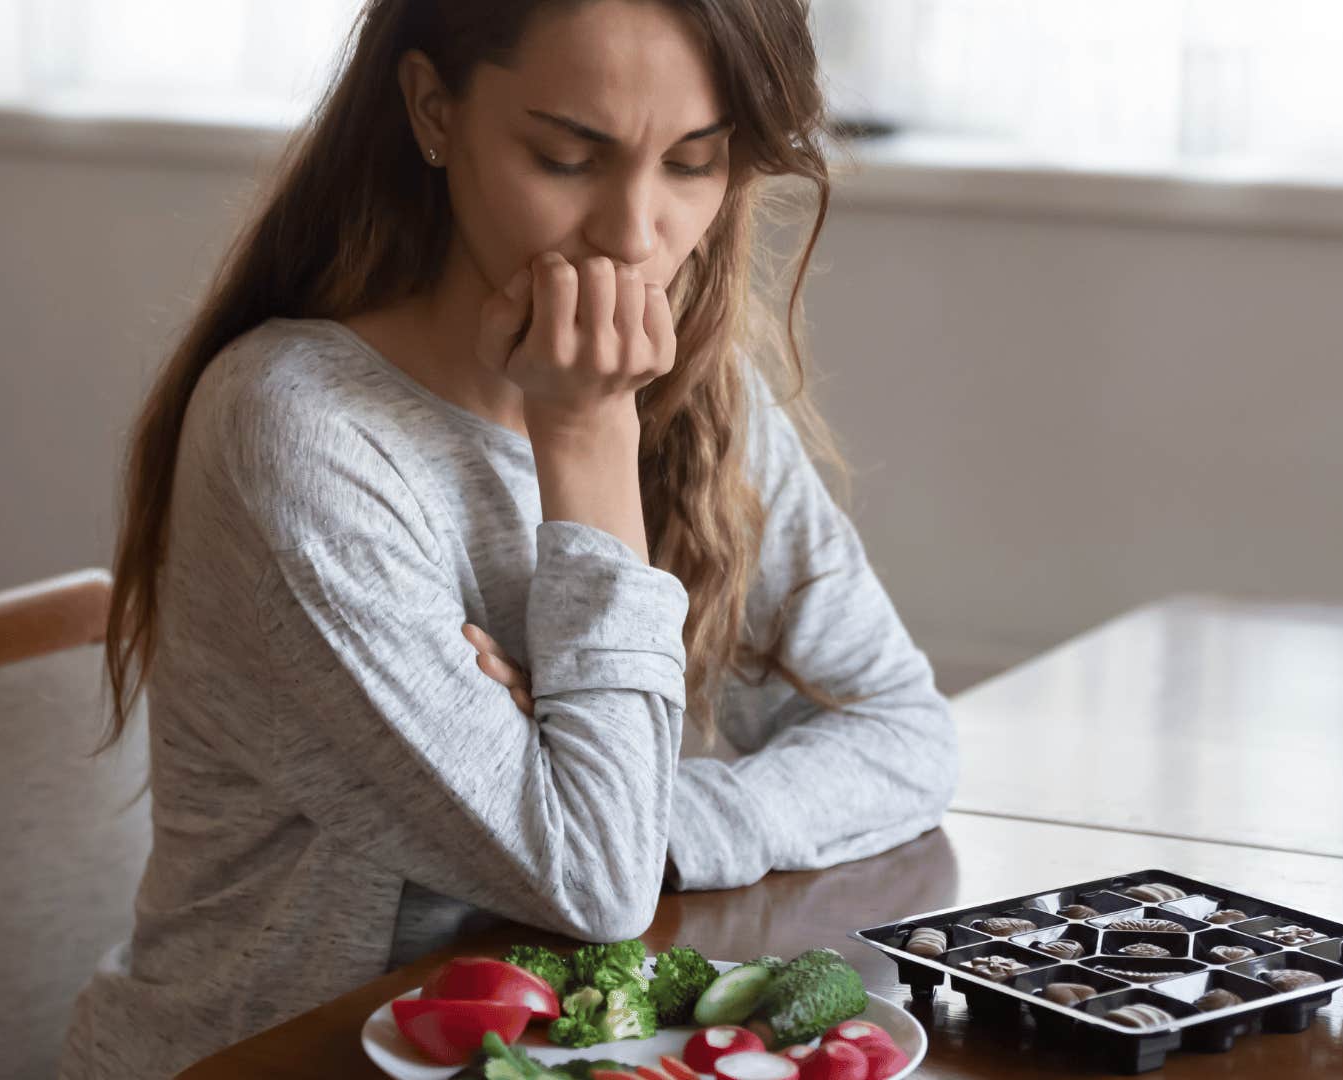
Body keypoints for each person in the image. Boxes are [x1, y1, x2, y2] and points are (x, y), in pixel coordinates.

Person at [59, 1, 958, 1076]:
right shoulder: (299, 430)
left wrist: (636, 804)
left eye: (692, 164)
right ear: (433, 110)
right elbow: (594, 881)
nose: (634, 235)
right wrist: (583, 435)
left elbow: (903, 731)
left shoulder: (704, 396)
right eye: (568, 157)